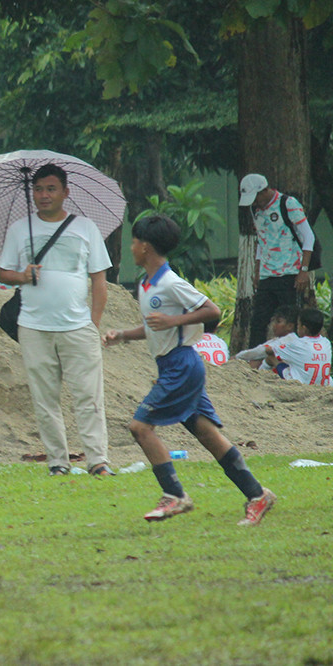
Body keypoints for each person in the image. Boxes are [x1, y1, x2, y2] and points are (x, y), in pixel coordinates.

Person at [103, 215, 276, 525]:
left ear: (145, 246)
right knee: (207, 435)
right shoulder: (146, 283)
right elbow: (153, 327)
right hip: (174, 365)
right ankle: (257, 494)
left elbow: (212, 310)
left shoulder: (169, 282)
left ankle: (175, 495)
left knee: (140, 427)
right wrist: (124, 336)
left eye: (133, 242)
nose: (131, 247)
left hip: (181, 364)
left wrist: (175, 321)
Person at [0, 163, 113, 477]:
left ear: (65, 192)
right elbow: (2, 273)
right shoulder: (20, 229)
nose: (43, 195)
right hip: (33, 327)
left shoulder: (86, 228)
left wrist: (94, 322)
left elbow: (99, 280)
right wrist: (22, 275)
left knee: (88, 395)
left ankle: (97, 460)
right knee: (44, 398)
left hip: (78, 327)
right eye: (38, 189)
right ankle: (58, 462)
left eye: (51, 189)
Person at [238, 173, 316, 347]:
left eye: (256, 198)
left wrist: (303, 270)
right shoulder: (256, 211)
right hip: (267, 275)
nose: (255, 203)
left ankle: (291, 356)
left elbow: (308, 237)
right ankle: (253, 363)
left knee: (290, 321)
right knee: (258, 320)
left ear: (264, 190)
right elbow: (261, 241)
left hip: (289, 273)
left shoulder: (288, 204)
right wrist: (257, 270)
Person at [264, 307, 332, 386]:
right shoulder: (326, 343)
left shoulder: (297, 344)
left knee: (271, 357)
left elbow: (269, 350)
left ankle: (259, 379)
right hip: (323, 385)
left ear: (304, 328)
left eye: (298, 325)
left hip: (300, 385)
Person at [234, 305, 299, 370]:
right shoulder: (279, 339)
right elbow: (261, 347)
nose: (274, 325)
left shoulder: (289, 340)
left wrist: (237, 357)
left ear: (290, 326)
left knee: (257, 361)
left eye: (278, 322)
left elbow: (260, 351)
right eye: (274, 321)